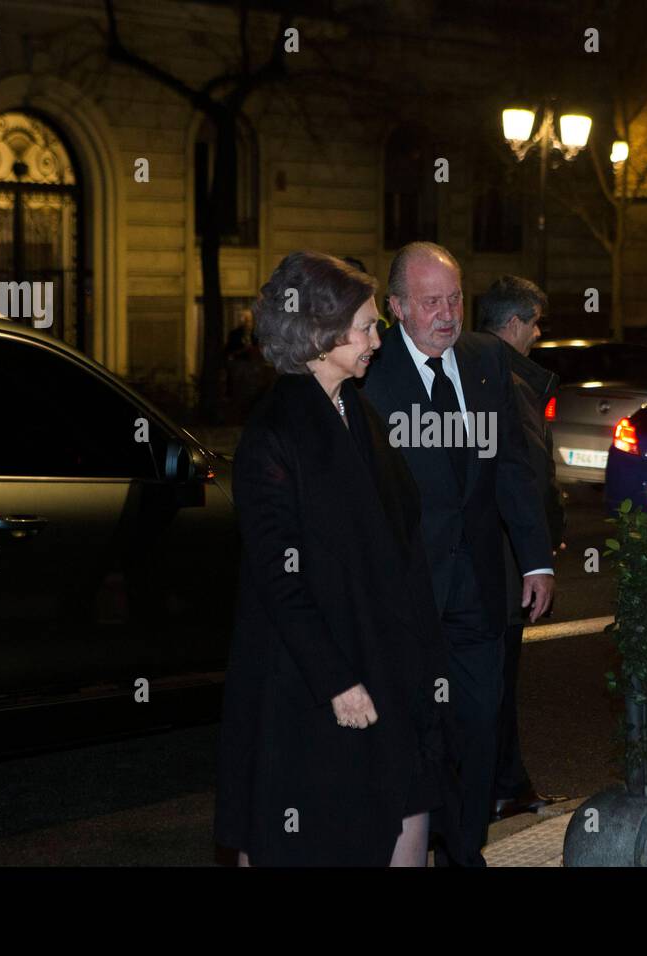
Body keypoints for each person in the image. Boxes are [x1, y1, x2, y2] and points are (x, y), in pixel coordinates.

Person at [214, 251, 460, 867]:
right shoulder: (275, 432)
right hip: (308, 683)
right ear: (322, 335)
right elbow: (278, 575)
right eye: (368, 326)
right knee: (302, 830)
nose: (379, 338)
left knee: (405, 811)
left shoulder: (356, 410)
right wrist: (337, 680)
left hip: (381, 660)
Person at [360, 241, 554, 865]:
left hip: (477, 590)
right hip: (406, 596)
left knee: (477, 727)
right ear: (395, 308)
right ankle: (411, 845)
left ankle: (466, 850)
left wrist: (537, 558)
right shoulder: (367, 370)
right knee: (417, 734)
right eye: (429, 302)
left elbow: (515, 469)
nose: (446, 314)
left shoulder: (487, 360)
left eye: (453, 299)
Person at [476, 275, 564, 822]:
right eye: (534, 324)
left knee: (491, 680)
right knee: (497, 680)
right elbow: (528, 472)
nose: (537, 334)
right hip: (507, 563)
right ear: (514, 324)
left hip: (493, 557)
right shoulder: (511, 381)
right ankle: (500, 787)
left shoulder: (471, 371)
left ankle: (503, 783)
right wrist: (541, 548)